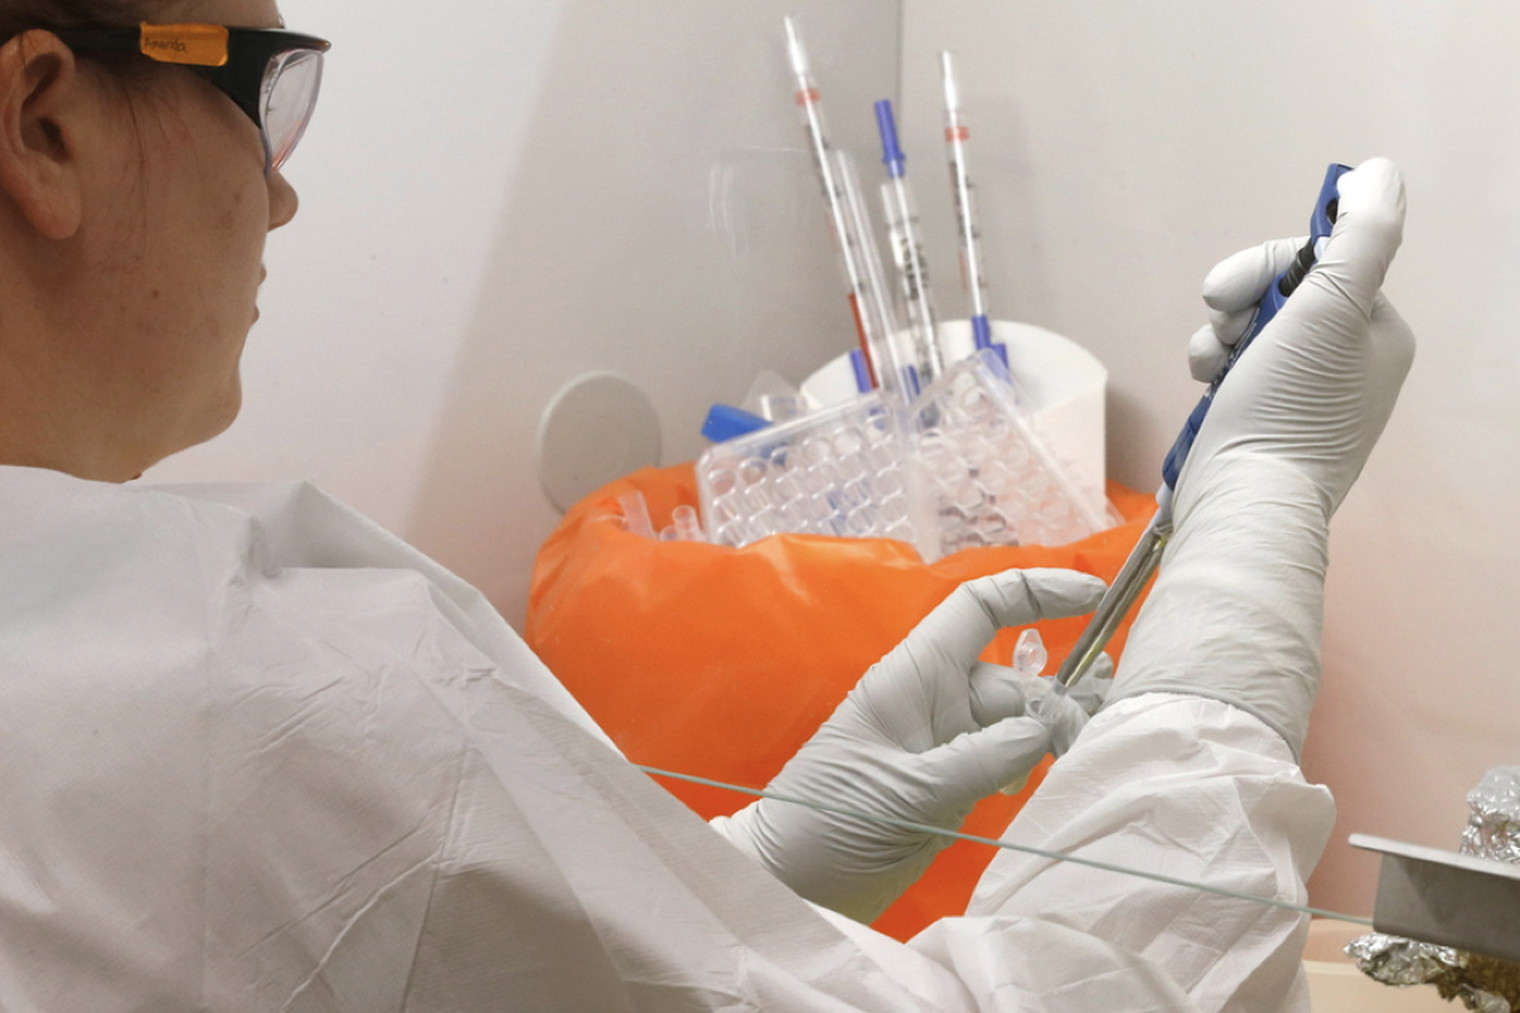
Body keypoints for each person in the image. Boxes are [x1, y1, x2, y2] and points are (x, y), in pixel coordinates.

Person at [0, 0, 1413, 1008]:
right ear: (45, 122)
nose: (280, 198)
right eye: (264, 93)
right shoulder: (228, 702)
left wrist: (747, 872)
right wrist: (1253, 532)